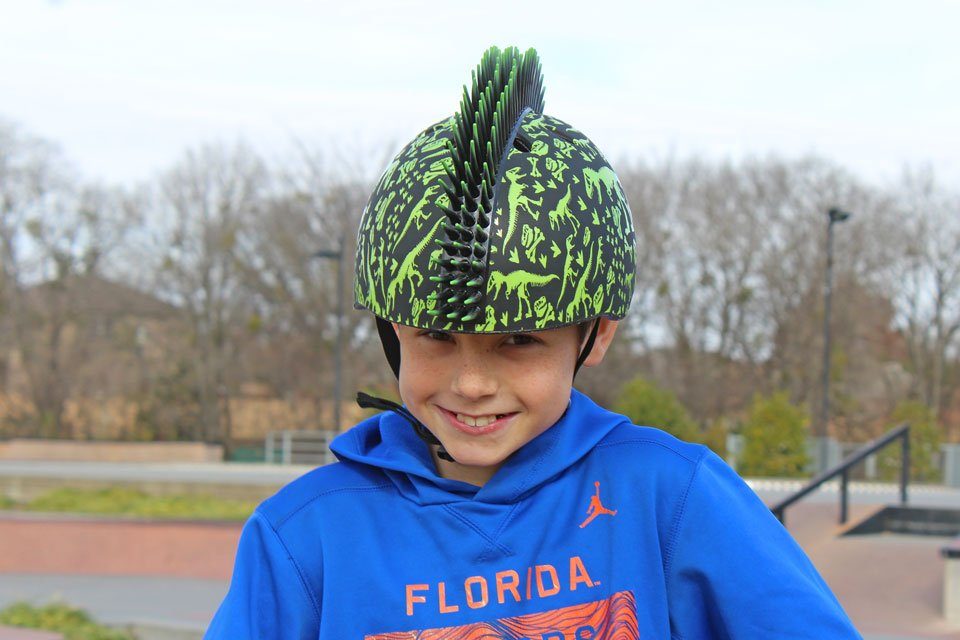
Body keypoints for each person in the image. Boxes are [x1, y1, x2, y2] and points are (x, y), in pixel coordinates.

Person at [205, 46, 861, 639]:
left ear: (596, 334)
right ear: (388, 327)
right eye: (435, 337)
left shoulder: (669, 496)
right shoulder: (305, 537)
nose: (471, 383)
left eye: (517, 341)